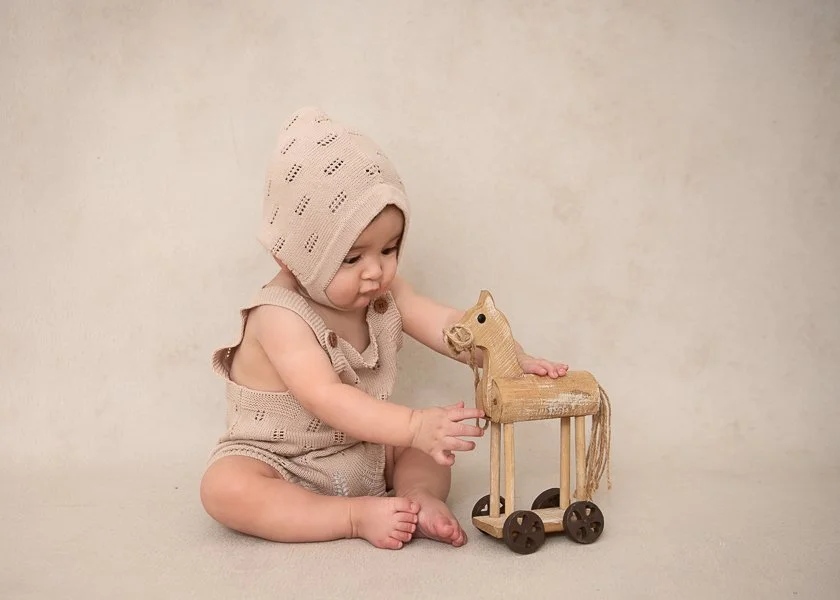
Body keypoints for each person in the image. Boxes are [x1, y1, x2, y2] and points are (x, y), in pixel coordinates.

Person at [199, 107, 569, 550]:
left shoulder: (380, 291)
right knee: (225, 487)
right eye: (352, 258)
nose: (375, 271)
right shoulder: (278, 316)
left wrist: (505, 353)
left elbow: (445, 324)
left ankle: (416, 499)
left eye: (389, 249)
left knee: (429, 451)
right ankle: (352, 516)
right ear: (291, 256)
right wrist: (413, 424)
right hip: (280, 462)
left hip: (364, 447)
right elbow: (327, 398)